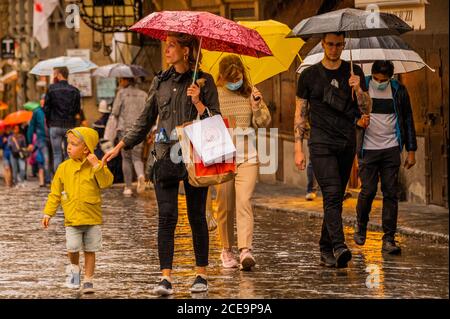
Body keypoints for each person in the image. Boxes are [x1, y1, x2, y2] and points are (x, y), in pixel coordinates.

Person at [102, 32, 220, 296]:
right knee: (166, 217)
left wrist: (198, 102)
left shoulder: (204, 81)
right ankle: (165, 277)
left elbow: (216, 120)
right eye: (167, 45)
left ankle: (201, 274)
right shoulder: (160, 82)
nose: (167, 50)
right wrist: (121, 145)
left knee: (196, 216)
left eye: (173, 46)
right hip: (164, 156)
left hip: (194, 156)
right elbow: (145, 120)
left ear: (187, 51)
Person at [295, 32, 372, 268]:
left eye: (339, 44)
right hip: (320, 143)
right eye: (330, 44)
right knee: (331, 192)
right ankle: (339, 246)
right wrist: (298, 147)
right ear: (322, 44)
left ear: (344, 45)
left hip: (346, 142)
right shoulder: (308, 75)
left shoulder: (354, 72)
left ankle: (325, 247)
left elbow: (367, 109)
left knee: (336, 197)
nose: (334, 48)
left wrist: (358, 89)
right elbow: (300, 113)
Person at [214, 55, 271, 270]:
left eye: (238, 77)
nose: (235, 81)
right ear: (222, 77)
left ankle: (245, 249)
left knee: (244, 201)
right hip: (222, 157)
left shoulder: (251, 92)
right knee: (225, 206)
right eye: (231, 78)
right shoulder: (215, 94)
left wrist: (256, 106)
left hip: (248, 156)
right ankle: (226, 249)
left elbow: (264, 123)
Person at [354, 60, 417, 254]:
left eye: (384, 79)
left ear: (391, 77)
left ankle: (389, 238)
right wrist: (358, 121)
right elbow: (348, 114)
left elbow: (407, 119)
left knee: (391, 193)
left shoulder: (399, 90)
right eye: (377, 79)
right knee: (368, 191)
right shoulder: (360, 87)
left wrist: (411, 150)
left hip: (391, 147)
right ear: (371, 75)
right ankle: (361, 225)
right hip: (368, 148)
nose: (380, 82)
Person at [42, 127, 113, 294]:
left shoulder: (95, 165)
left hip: (92, 217)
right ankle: (74, 268)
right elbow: (55, 193)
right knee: (72, 247)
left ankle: (88, 279)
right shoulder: (63, 168)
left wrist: (97, 165)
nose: (68, 147)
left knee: (90, 250)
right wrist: (48, 213)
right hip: (72, 217)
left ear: (86, 148)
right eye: (68, 143)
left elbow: (106, 183)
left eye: (73, 144)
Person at [111, 77, 148, 196]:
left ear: (127, 81)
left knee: (126, 158)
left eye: (121, 80)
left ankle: (128, 187)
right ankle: (140, 175)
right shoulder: (143, 94)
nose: (120, 82)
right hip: (139, 129)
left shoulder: (121, 93)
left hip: (125, 129)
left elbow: (115, 111)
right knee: (137, 157)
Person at [43, 66, 81, 173]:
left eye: (55, 74)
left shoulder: (51, 89)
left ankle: (59, 181)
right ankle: (68, 180)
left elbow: (46, 108)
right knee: (69, 153)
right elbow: (77, 110)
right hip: (69, 126)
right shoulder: (75, 90)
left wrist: (49, 121)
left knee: (57, 154)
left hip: (55, 125)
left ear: (59, 75)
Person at [27, 95, 50, 187]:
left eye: (44, 99)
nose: (42, 101)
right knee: (46, 158)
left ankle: (52, 178)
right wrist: (29, 142)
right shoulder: (37, 112)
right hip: (41, 138)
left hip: (51, 137)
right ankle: (47, 180)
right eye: (41, 99)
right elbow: (31, 127)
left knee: (52, 158)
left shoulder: (50, 110)